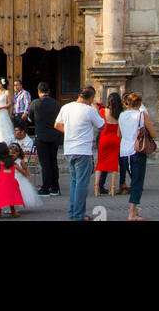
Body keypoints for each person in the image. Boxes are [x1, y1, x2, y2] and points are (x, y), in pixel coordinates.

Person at [54, 86, 104, 222]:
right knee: (82, 183)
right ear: (91, 98)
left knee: (74, 181)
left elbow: (57, 125)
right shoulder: (89, 110)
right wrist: (97, 110)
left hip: (69, 149)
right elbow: (102, 125)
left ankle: (73, 211)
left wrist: (70, 132)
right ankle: (78, 214)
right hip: (83, 150)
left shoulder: (66, 107)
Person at [118, 92, 156, 221]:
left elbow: (119, 134)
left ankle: (135, 211)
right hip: (137, 150)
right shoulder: (141, 115)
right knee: (137, 182)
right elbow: (153, 133)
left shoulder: (122, 115)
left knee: (134, 180)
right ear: (139, 103)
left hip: (124, 152)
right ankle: (132, 213)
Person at [31, 82, 62, 196]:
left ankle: (45, 187)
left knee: (45, 163)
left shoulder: (35, 103)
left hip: (42, 135)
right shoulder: (56, 103)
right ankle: (55, 187)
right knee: (53, 161)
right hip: (54, 135)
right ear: (49, 91)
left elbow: (30, 117)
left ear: (39, 92)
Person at [96, 92, 122, 197]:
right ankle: (112, 187)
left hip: (104, 139)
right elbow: (119, 132)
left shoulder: (103, 111)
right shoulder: (120, 113)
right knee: (114, 164)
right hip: (115, 140)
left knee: (100, 163)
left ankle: (96, 186)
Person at [7, 141, 42, 210]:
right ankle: (11, 207)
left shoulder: (20, 161)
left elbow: (26, 168)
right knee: (10, 193)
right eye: (10, 153)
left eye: (14, 153)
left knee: (19, 193)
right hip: (10, 178)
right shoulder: (7, 161)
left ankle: (16, 207)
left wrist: (29, 175)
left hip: (19, 178)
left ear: (18, 153)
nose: (12, 155)